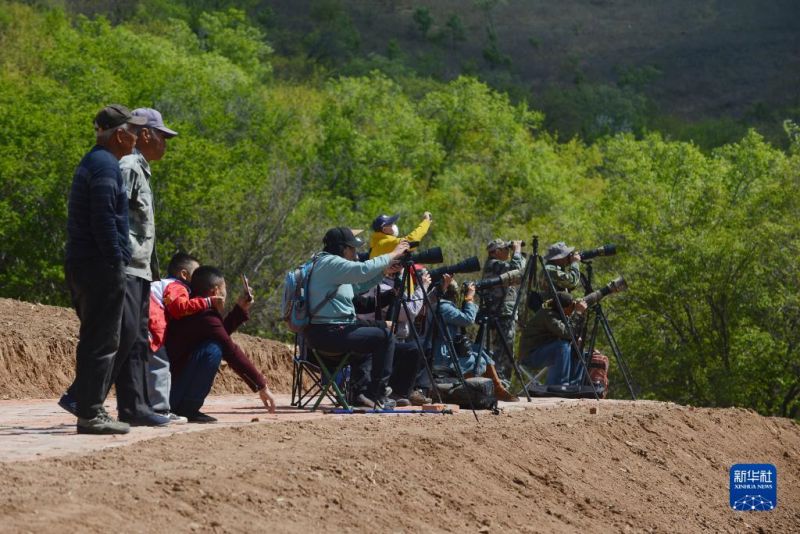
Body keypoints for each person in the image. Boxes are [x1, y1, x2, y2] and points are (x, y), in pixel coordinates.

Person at [62, 107, 178, 427]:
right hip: (106, 266)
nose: (138, 137)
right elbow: (105, 219)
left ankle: (107, 407)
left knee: (120, 338)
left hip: (108, 264)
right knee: (107, 339)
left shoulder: (106, 162)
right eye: (134, 131)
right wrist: (118, 259)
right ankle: (87, 406)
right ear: (121, 134)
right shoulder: (110, 165)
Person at [304, 227, 422, 409]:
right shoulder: (331, 262)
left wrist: (383, 272)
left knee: (371, 334)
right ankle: (376, 394)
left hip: (325, 331)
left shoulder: (324, 264)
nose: (355, 252)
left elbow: (357, 287)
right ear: (343, 248)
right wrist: (394, 253)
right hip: (328, 333)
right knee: (385, 337)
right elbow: (363, 270)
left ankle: (360, 393)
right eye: (352, 248)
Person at [165, 266, 276, 422]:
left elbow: (218, 333)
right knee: (214, 350)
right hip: (171, 395)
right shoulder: (204, 314)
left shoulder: (191, 306)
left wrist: (239, 310)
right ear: (216, 291)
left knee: (214, 345)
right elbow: (230, 350)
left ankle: (184, 406)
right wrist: (261, 386)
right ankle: (188, 408)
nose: (225, 294)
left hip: (166, 390)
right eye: (225, 289)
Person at [148, 252, 220, 423]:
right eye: (196, 273)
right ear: (184, 274)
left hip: (136, 315)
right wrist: (207, 302)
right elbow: (179, 308)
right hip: (151, 321)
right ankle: (160, 410)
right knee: (160, 364)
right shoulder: (177, 286)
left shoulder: (162, 284)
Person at [429, 276, 519, 402]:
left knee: (480, 350)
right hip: (443, 358)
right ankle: (467, 392)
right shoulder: (443, 307)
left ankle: (497, 389)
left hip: (444, 352)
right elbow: (468, 319)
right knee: (480, 360)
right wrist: (469, 298)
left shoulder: (437, 305)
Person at [480, 239, 526, 378]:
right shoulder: (494, 264)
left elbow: (520, 272)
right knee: (504, 351)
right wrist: (517, 251)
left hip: (502, 313)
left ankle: (501, 381)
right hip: (501, 313)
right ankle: (501, 381)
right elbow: (516, 271)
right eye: (506, 249)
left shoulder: (496, 265)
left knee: (504, 349)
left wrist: (518, 254)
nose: (508, 251)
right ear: (496, 252)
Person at [518, 292, 587, 386]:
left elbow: (572, 334)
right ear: (563, 308)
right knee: (562, 346)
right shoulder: (548, 315)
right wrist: (578, 313)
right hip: (530, 357)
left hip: (544, 351)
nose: (573, 309)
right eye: (572, 307)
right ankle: (559, 385)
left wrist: (581, 316)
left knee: (578, 347)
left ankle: (574, 385)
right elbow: (567, 333)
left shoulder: (560, 314)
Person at [368, 212, 432, 259]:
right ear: (384, 230)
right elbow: (411, 240)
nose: (394, 225)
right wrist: (426, 222)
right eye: (391, 224)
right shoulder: (384, 243)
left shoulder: (378, 242)